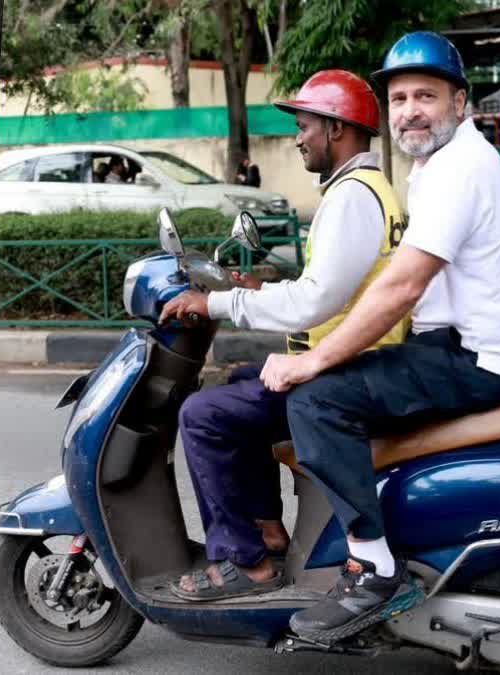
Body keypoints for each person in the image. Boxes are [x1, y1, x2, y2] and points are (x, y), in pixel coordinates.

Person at [258, 32, 500, 642]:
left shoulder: (458, 169)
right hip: (458, 347)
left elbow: (403, 288)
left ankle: (372, 565)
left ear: (459, 103)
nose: (410, 109)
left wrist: (315, 363)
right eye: (400, 97)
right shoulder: (439, 164)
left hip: (477, 358)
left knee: (317, 399)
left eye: (427, 96)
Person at [160, 70, 408, 601]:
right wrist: (264, 287)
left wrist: (219, 301)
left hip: (346, 375)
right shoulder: (371, 189)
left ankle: (243, 562)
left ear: (336, 129)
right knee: (235, 381)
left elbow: (318, 301)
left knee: (201, 416)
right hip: (359, 363)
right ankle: (267, 529)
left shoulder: (351, 197)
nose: (297, 138)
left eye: (303, 127)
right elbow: (333, 290)